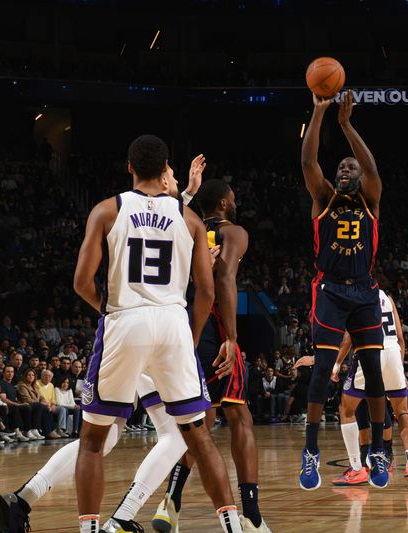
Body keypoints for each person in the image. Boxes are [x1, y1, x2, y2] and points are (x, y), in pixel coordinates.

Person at [69, 135, 241, 533]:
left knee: (94, 440)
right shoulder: (190, 218)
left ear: (130, 167)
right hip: (172, 323)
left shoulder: (106, 211)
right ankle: (232, 526)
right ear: (166, 171)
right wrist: (192, 336)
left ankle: (92, 529)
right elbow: (207, 290)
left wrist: (111, 309)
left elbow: (81, 281)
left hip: (125, 320)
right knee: (197, 435)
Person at [150, 177, 269, 533]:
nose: (235, 202)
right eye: (232, 198)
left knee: (196, 422)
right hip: (212, 328)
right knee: (239, 415)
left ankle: (169, 501)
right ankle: (250, 514)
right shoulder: (234, 232)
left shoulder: (187, 228)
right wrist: (231, 337)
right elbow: (225, 279)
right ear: (222, 203)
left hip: (177, 325)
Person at [298, 89, 388, 490]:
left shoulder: (370, 198)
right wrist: (319, 115)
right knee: (322, 369)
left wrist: (347, 125)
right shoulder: (324, 199)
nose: (347, 169)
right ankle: (311, 450)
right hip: (331, 291)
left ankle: (379, 454)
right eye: (343, 166)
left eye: (351, 165)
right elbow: (307, 160)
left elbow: (371, 167)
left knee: (372, 372)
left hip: (366, 291)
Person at [297, 290, 408, 488]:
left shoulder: (356, 295)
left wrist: (336, 365)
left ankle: (357, 469)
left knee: (346, 410)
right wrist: (398, 368)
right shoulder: (387, 297)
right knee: (403, 411)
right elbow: (400, 337)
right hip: (393, 353)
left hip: (370, 351)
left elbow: (348, 338)